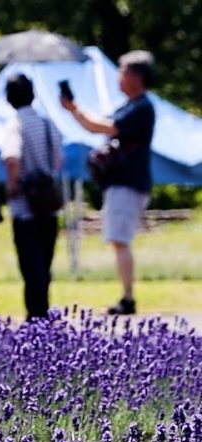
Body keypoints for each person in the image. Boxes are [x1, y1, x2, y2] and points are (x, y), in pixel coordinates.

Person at [61, 50, 156, 315]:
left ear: (136, 77)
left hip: (128, 183)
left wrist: (75, 109)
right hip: (122, 183)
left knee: (120, 239)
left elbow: (103, 127)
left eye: (122, 71)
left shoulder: (141, 107)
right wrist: (74, 111)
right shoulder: (130, 106)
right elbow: (98, 126)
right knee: (118, 239)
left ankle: (128, 298)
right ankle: (126, 296)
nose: (118, 78)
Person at [1, 74, 64, 320]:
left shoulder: (15, 124)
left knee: (30, 265)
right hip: (48, 203)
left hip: (25, 206)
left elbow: (11, 156)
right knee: (45, 264)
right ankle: (44, 312)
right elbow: (58, 159)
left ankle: (34, 315)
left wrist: (13, 185)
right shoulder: (47, 124)